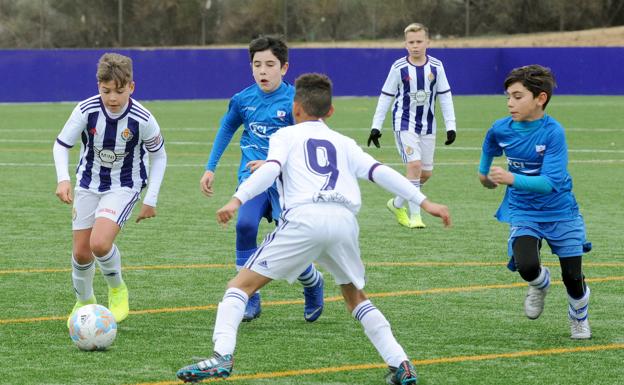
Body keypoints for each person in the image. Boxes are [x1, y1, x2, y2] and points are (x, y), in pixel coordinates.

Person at [176, 73, 451, 384]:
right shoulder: (344, 143)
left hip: (305, 219)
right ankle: (401, 363)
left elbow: (272, 171)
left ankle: (222, 356)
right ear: (330, 111)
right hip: (344, 222)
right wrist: (424, 201)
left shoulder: (285, 137)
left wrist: (237, 199)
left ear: (295, 109)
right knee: (355, 297)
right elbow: (380, 171)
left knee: (239, 287)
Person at [199, 35, 324, 322]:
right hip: (252, 181)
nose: (263, 71)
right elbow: (226, 129)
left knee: (289, 241)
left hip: (287, 184)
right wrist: (210, 167)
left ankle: (312, 282)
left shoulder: (296, 102)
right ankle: (249, 297)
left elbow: (309, 143)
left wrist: (273, 163)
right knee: (244, 225)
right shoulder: (243, 100)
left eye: (270, 64)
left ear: (284, 67)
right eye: (257, 64)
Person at [478, 64, 592, 339]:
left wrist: (509, 178)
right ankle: (540, 283)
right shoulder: (501, 128)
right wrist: (484, 173)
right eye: (508, 96)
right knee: (527, 266)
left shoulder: (553, 132)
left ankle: (578, 315)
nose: (510, 103)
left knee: (573, 278)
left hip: (560, 210)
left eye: (518, 97)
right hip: (523, 209)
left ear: (540, 98)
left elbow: (548, 183)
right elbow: (490, 145)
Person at [53, 52, 167, 327]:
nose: (112, 98)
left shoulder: (143, 118)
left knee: (100, 243)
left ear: (131, 87)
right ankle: (84, 301)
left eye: (119, 91)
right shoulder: (86, 110)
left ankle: (117, 290)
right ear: (98, 87)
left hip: (125, 186)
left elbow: (159, 156)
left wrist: (150, 198)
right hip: (88, 184)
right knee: (81, 252)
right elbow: (61, 145)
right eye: (106, 91)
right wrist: (63, 179)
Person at [368, 22, 457, 229]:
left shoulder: (437, 66)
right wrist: (376, 126)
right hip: (404, 123)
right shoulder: (398, 68)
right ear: (405, 44)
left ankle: (397, 203)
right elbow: (385, 96)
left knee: (425, 173)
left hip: (428, 125)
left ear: (428, 42)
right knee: (414, 167)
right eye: (411, 42)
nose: (415, 46)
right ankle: (416, 217)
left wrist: (451, 125)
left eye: (419, 41)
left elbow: (445, 96)